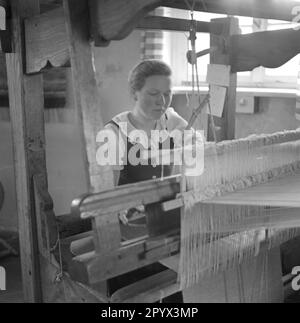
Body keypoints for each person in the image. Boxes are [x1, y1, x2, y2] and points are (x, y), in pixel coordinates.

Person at [102, 60, 193, 302]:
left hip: (165, 221)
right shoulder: (114, 133)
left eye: (167, 94)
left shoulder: (171, 121)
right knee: (134, 294)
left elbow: (198, 149)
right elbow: (106, 196)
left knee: (173, 290)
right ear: (134, 92)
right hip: (129, 227)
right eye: (153, 93)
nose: (162, 102)